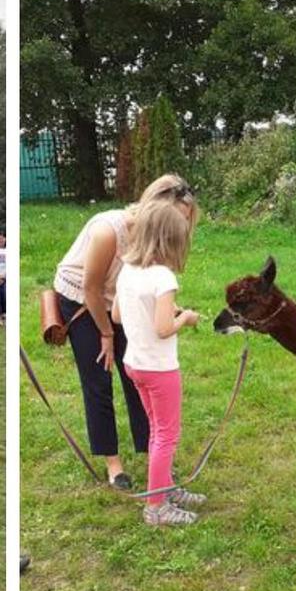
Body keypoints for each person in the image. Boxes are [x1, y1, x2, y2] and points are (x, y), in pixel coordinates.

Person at [53, 173, 198, 490]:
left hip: (117, 303)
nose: (181, 228)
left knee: (137, 371)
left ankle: (153, 454)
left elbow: (141, 290)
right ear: (156, 207)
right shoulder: (109, 230)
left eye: (186, 221)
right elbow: (92, 288)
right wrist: (106, 334)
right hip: (80, 300)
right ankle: (113, 464)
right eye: (179, 218)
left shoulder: (155, 240)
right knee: (98, 379)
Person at [113, 198, 204, 525]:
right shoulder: (163, 276)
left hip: (134, 365)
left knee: (156, 431)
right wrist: (187, 318)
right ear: (171, 240)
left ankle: (163, 489)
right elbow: (164, 328)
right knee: (167, 434)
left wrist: (163, 312)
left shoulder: (128, 268)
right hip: (160, 369)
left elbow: (117, 315)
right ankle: (157, 509)